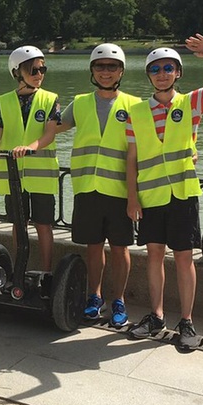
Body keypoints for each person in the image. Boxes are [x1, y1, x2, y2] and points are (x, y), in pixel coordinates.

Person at [125, 34, 203, 350]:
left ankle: (187, 321)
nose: (162, 73)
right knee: (152, 257)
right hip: (151, 197)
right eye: (156, 69)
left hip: (181, 195)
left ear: (178, 72)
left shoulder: (191, 102)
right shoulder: (136, 112)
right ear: (149, 75)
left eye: (168, 68)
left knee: (183, 258)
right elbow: (132, 158)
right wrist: (132, 198)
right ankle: (156, 316)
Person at [56, 43, 141, 327]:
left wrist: (190, 150)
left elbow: (154, 140)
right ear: (92, 70)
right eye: (100, 66)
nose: (106, 72)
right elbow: (50, 128)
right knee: (94, 246)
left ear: (121, 71)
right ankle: (95, 296)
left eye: (112, 66)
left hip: (119, 190)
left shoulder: (134, 106)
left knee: (120, 248)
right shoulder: (79, 103)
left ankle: (119, 300)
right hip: (88, 187)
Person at [0, 46, 59, 271]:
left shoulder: (50, 99)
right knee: (19, 225)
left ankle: (47, 273)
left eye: (43, 69)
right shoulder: (3, 102)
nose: (39, 74)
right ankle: (19, 271)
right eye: (34, 70)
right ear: (18, 73)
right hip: (13, 177)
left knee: (44, 225)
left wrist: (30, 147)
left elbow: (50, 133)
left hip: (42, 176)